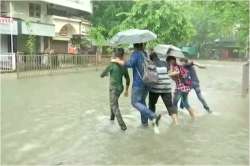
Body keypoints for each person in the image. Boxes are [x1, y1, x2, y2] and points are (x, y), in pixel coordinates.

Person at [112, 43, 161, 132]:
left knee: (135, 103)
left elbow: (129, 64)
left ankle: (153, 116)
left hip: (139, 83)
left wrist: (117, 61)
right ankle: (144, 124)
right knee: (142, 102)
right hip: (147, 82)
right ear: (142, 45)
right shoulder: (145, 54)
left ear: (135, 46)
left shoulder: (136, 54)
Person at [100, 48, 130, 131]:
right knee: (113, 102)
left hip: (113, 88)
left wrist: (105, 74)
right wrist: (127, 90)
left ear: (115, 55)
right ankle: (112, 119)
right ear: (122, 56)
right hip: (120, 88)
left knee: (114, 105)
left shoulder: (112, 65)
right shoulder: (124, 66)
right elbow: (128, 79)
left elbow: (102, 75)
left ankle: (123, 126)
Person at [148, 52, 179, 125]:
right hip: (166, 87)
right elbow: (169, 73)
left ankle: (153, 121)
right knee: (170, 106)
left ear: (151, 58)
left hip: (155, 88)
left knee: (152, 104)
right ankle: (177, 123)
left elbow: (149, 77)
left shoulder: (151, 64)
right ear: (157, 57)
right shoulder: (165, 63)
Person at [167, 56, 196, 120]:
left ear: (171, 61)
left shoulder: (176, 67)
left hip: (180, 88)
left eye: (169, 62)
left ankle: (176, 123)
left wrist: (168, 74)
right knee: (186, 103)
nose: (169, 63)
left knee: (174, 105)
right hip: (186, 88)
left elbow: (177, 72)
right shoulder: (182, 66)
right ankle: (194, 118)